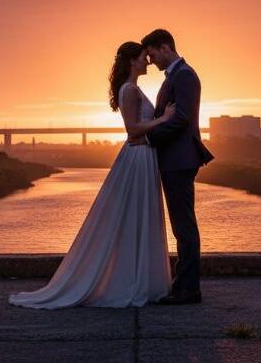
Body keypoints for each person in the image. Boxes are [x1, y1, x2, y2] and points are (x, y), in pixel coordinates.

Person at [9, 41, 174, 309]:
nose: (148, 62)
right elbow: (132, 129)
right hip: (138, 156)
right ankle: (130, 281)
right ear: (132, 61)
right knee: (132, 215)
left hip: (143, 155)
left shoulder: (132, 88)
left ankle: (137, 278)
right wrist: (163, 119)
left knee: (137, 215)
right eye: (144, 57)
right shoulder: (129, 90)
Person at [141, 29, 214, 305]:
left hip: (179, 159)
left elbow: (181, 118)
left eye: (152, 55)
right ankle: (183, 285)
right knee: (181, 225)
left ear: (165, 47)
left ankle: (188, 289)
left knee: (184, 225)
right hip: (175, 159)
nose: (151, 61)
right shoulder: (176, 75)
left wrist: (149, 137)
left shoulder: (184, 75)